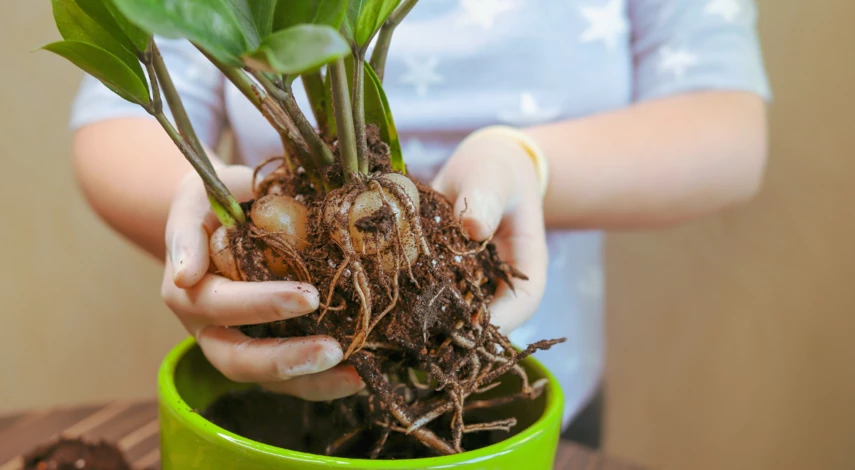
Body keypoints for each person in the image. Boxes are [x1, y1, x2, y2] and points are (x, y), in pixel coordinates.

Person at [68, 0, 770, 448]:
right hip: (276, 393)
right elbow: (114, 124)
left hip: (519, 391)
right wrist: (210, 216)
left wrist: (527, 161)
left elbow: (726, 131)